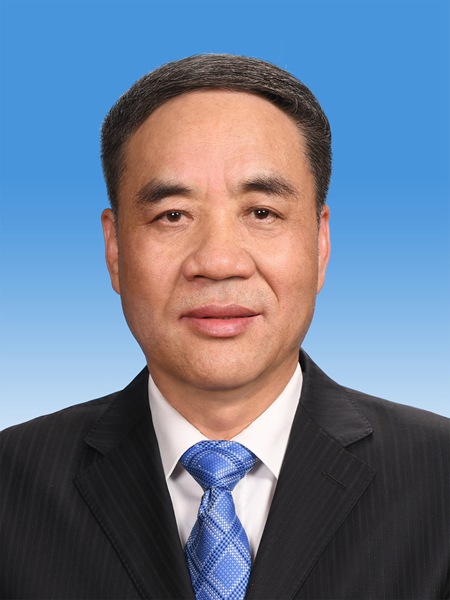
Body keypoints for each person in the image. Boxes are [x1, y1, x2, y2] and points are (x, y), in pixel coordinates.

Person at [1, 54, 448, 600]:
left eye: (262, 213)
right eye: (172, 215)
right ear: (115, 249)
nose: (217, 261)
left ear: (320, 242)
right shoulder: (11, 484)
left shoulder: (438, 477)